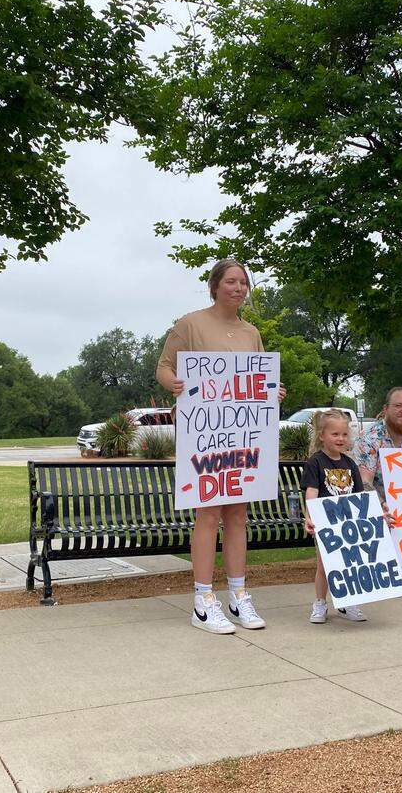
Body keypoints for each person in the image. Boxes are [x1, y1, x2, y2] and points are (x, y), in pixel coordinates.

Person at [156, 258, 286, 635]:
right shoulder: (190, 324)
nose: (238, 288)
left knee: (238, 515)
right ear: (215, 286)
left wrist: (272, 391)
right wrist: (173, 383)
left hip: (242, 438)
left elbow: (257, 379)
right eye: (231, 281)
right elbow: (164, 367)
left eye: (243, 282)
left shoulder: (251, 332)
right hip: (204, 437)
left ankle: (238, 594)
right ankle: (203, 600)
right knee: (208, 514)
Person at [352, 387, 402, 579]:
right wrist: (381, 506)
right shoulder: (369, 438)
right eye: (398, 406)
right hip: (378, 506)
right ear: (385, 409)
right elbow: (364, 482)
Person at [302, 409, 371, 624]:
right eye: (335, 434)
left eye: (344, 434)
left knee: (349, 564)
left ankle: (347, 601)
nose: (340, 438)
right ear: (322, 435)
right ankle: (320, 603)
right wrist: (309, 516)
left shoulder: (350, 464)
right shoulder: (315, 462)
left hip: (348, 524)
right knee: (324, 565)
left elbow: (359, 496)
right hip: (325, 523)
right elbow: (312, 491)